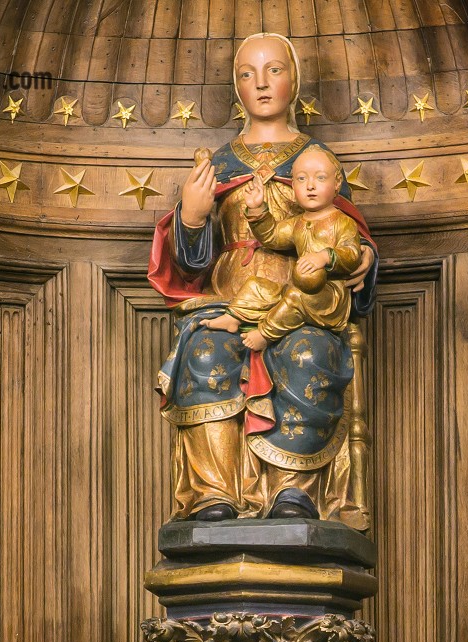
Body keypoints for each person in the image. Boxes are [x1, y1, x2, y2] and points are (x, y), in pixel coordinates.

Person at [149, 31, 377, 524]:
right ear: (236, 87)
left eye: (275, 70)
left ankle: (291, 490)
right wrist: (191, 218)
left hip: (300, 298)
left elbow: (346, 231)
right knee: (206, 351)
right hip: (231, 293)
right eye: (248, 74)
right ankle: (216, 494)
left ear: (294, 80)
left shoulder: (316, 163)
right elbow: (191, 265)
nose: (262, 83)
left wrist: (362, 260)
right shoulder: (221, 163)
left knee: (307, 353)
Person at [202, 145, 362, 351]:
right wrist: (257, 208)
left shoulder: (342, 222)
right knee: (257, 286)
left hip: (329, 295)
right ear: (293, 186)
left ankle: (265, 334)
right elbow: (273, 236)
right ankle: (234, 316)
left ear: (337, 183)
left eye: (320, 178)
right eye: (302, 179)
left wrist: (325, 257)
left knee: (297, 298)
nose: (310, 186)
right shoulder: (298, 222)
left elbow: (352, 254)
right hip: (298, 286)